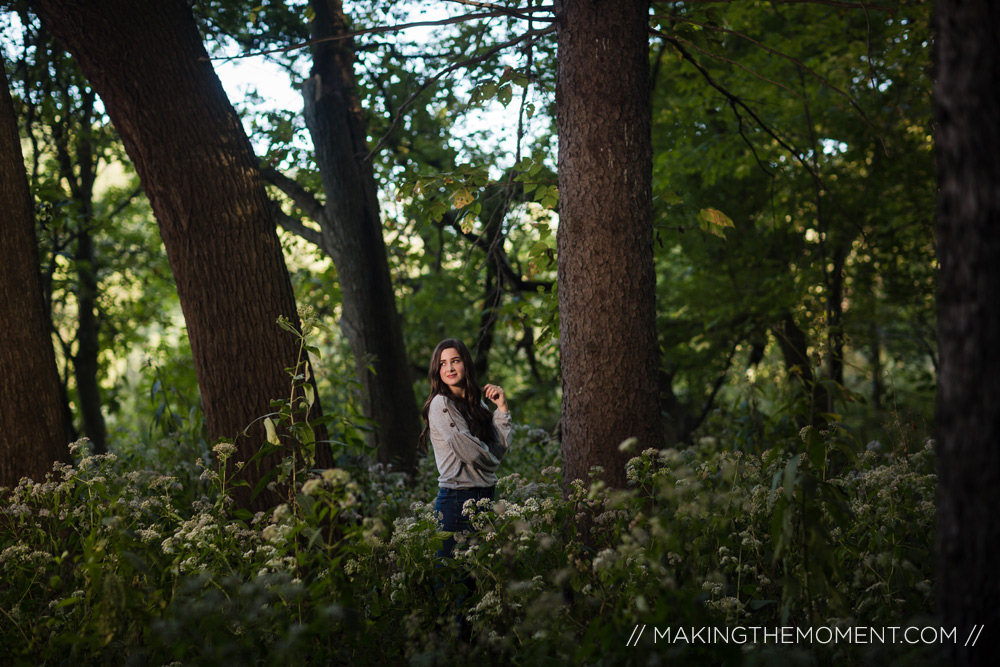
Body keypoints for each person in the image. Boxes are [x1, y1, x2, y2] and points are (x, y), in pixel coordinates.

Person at [420, 338, 513, 558]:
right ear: (436, 369)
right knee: (454, 583)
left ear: (466, 364)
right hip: (456, 502)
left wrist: (501, 408)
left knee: (479, 582)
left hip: (485, 497)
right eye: (442, 363)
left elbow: (497, 449)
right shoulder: (441, 404)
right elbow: (471, 453)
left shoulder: (477, 403)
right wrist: (492, 463)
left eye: (455, 361)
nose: (449, 368)